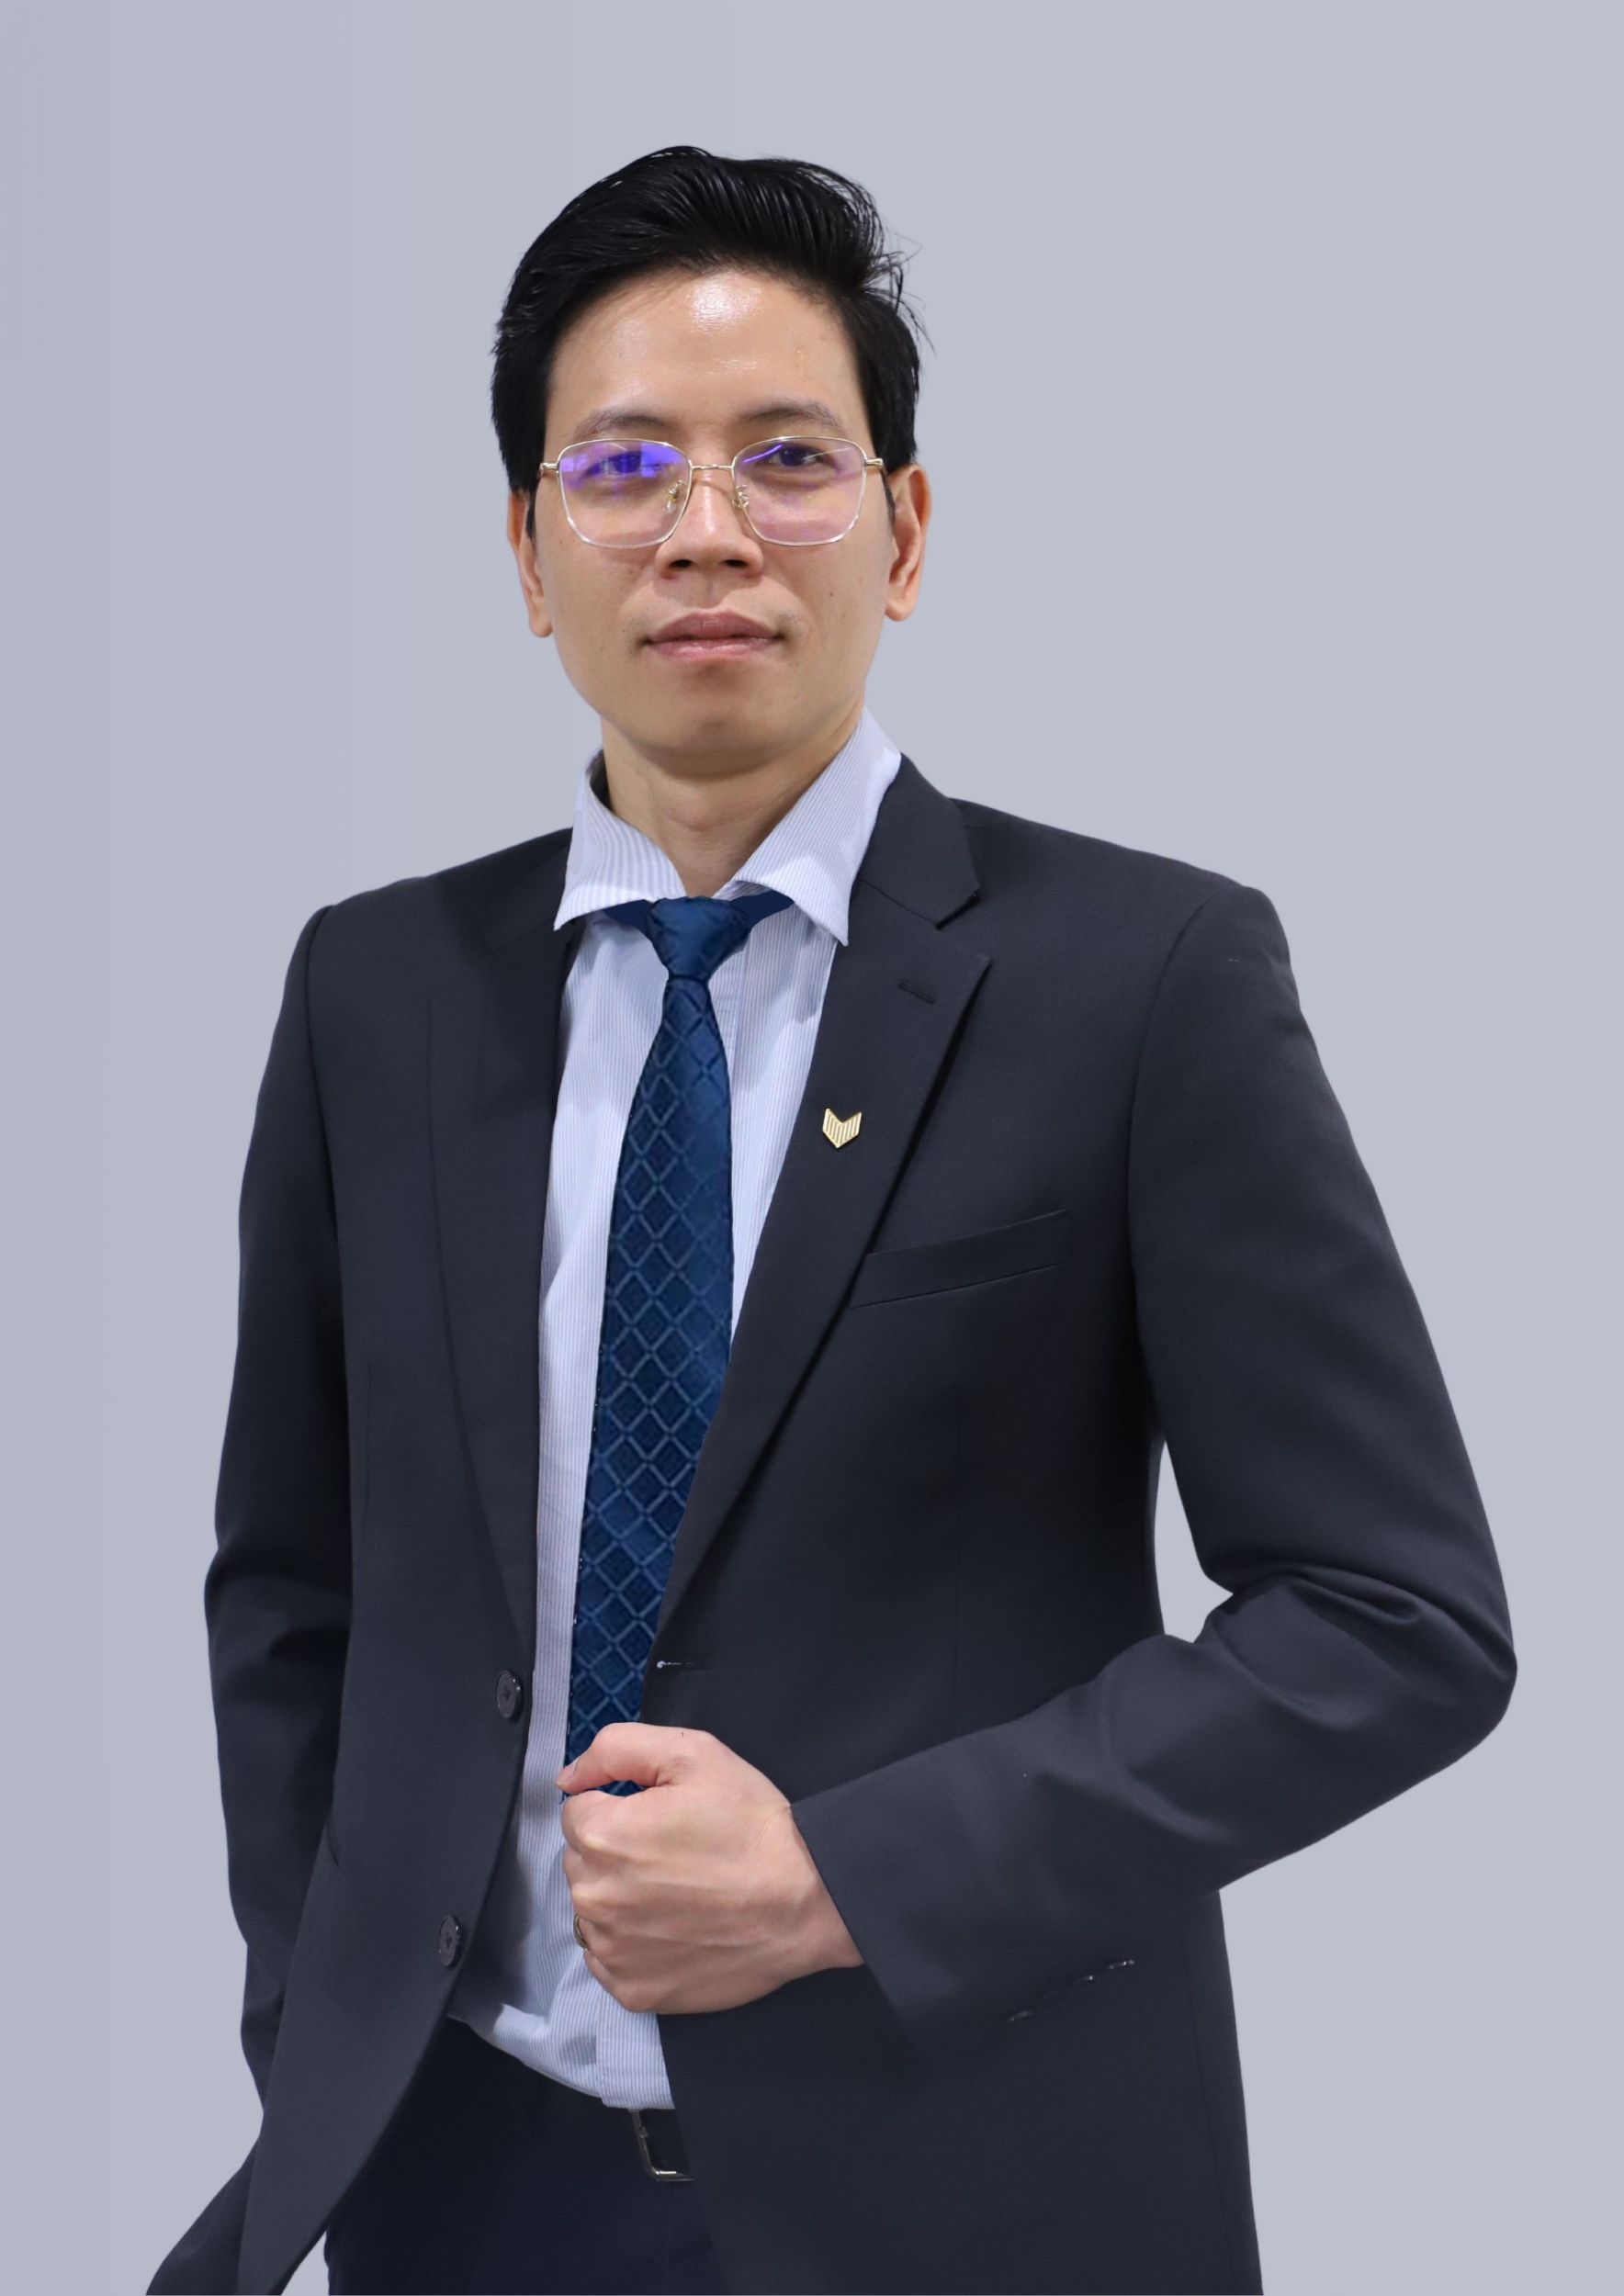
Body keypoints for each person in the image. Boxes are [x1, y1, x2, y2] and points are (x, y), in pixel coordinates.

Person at [151, 147, 1514, 2296]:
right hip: (458, 2184)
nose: (703, 527)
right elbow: (295, 1586)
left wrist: (840, 1875)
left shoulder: (1139, 978)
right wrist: (320, 2021)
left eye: (786, 458)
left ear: (904, 526)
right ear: (527, 549)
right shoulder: (376, 990)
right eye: (620, 466)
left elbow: (1391, 1616)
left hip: (971, 2190)